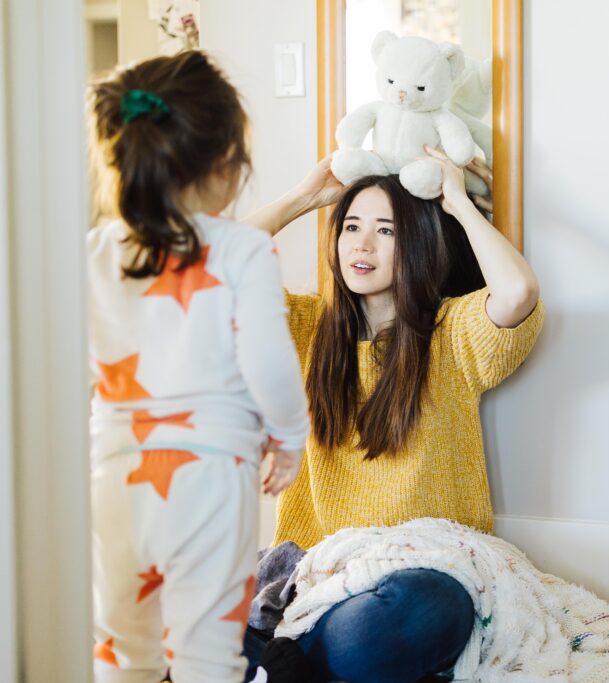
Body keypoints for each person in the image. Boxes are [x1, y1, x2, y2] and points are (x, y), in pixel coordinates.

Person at [242, 148, 543, 683]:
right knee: (188, 608)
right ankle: (295, 664)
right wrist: (305, 198)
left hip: (420, 567)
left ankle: (276, 664)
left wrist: (458, 204)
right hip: (316, 571)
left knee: (408, 616)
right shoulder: (306, 327)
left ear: (420, 242)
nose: (361, 243)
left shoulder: (453, 335)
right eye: (352, 226)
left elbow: (517, 291)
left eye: (386, 230)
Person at [87, 50, 308, 683]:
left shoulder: (94, 253)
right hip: (211, 476)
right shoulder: (240, 248)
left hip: (114, 479)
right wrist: (289, 438)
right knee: (207, 653)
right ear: (224, 165)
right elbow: (268, 359)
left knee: (123, 649)